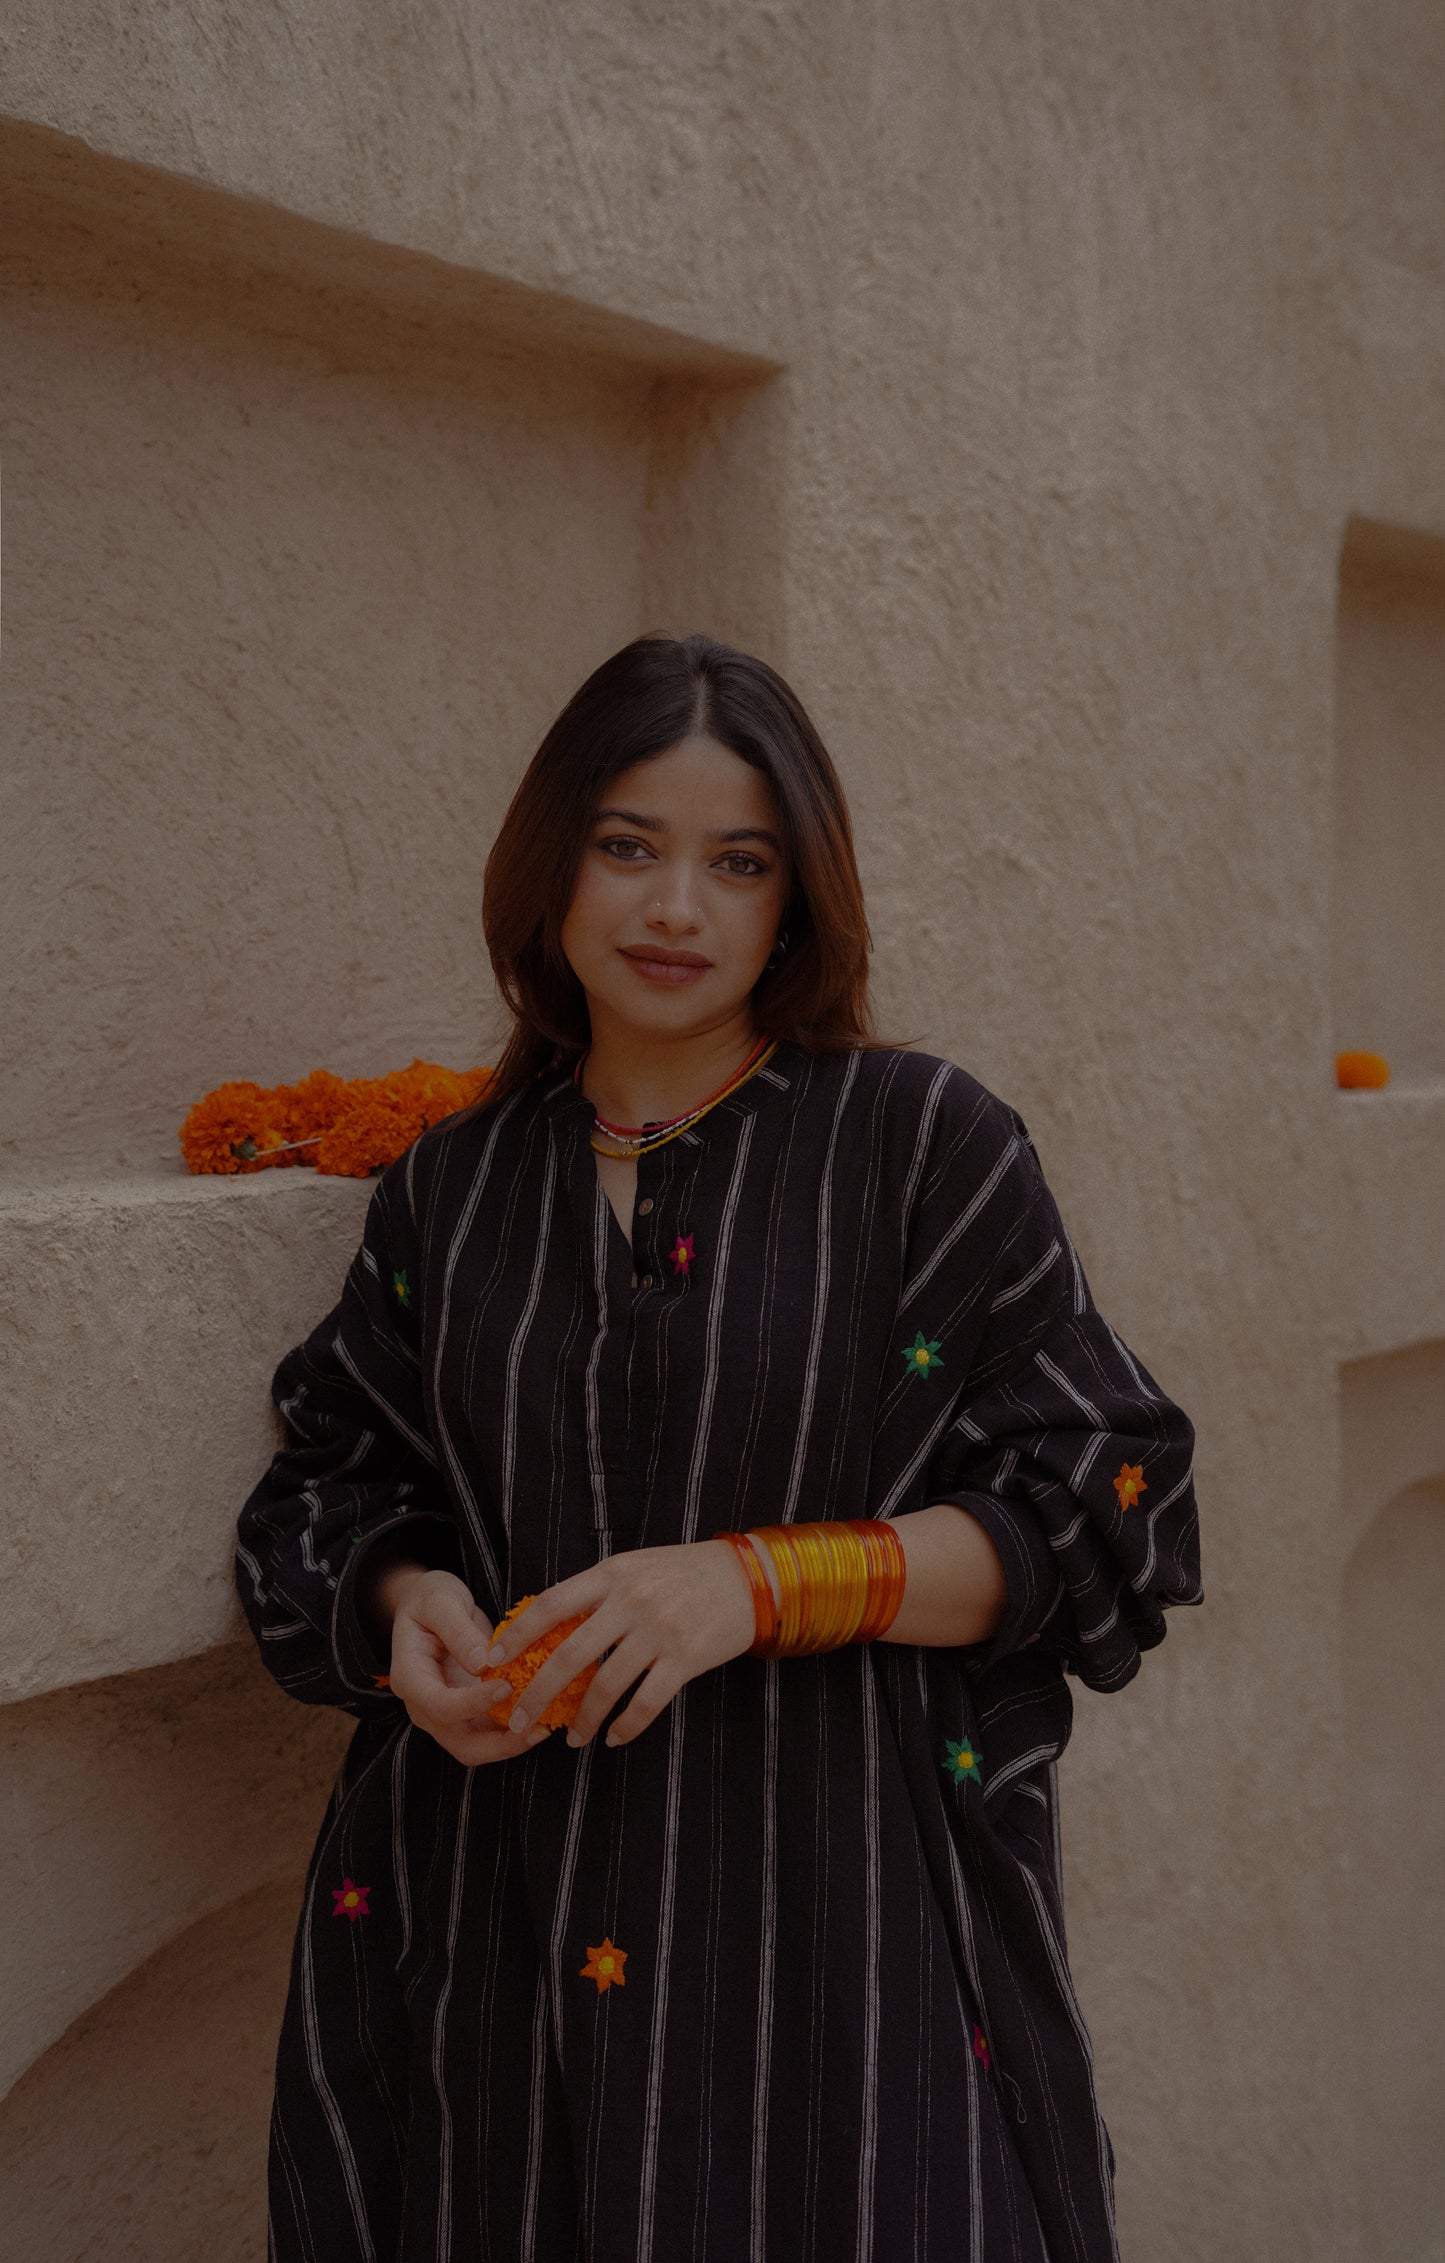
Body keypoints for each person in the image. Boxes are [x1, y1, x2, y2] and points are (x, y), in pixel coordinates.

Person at [237, 632, 1201, 2263]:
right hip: (491, 1940)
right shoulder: (454, 1192)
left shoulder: (917, 1144)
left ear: (795, 896)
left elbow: (1104, 1503)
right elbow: (330, 1488)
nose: (675, 908)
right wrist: (407, 1611)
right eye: (628, 846)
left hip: (836, 1948)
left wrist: (754, 1585)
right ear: (552, 865)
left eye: (735, 862)